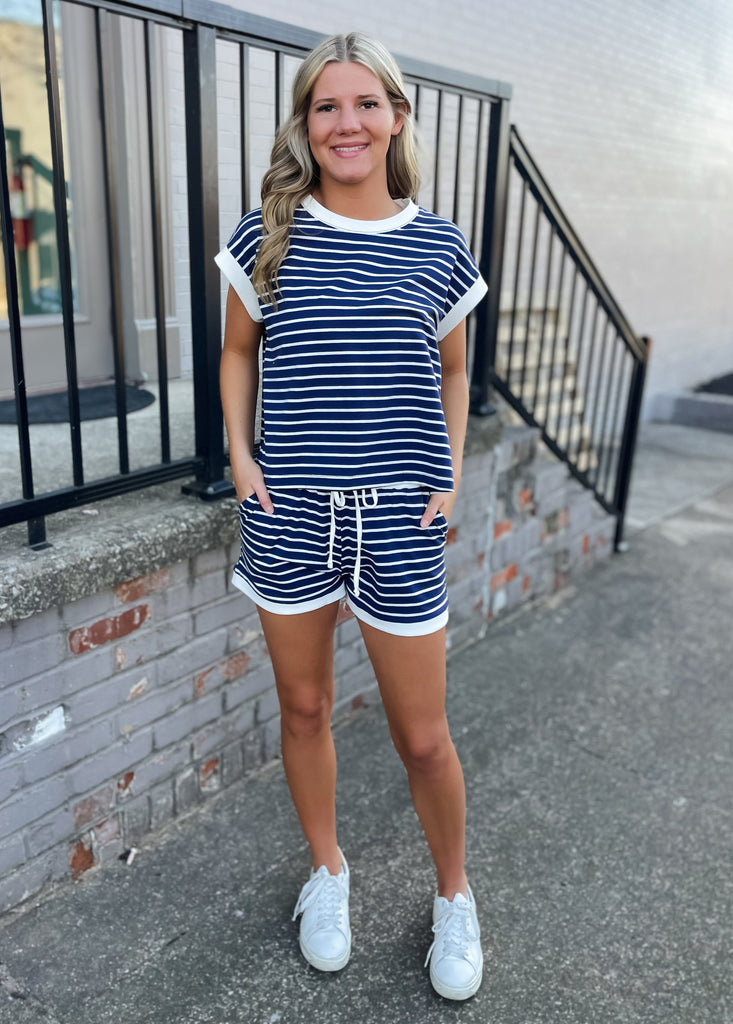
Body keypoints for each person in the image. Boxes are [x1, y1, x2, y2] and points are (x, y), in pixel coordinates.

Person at [216, 31, 487, 1001]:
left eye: (365, 103)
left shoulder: (438, 246)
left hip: (398, 523)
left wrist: (447, 472)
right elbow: (237, 352)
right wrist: (241, 455)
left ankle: (453, 895)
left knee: (423, 737)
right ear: (305, 121)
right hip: (289, 514)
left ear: (396, 116)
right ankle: (327, 873)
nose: (346, 123)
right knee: (303, 709)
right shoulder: (266, 235)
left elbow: (453, 372)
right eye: (325, 106)